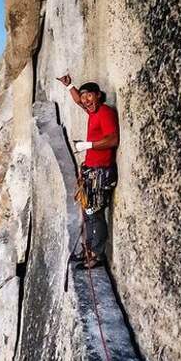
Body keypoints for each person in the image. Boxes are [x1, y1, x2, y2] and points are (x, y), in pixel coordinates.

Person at [57, 74, 119, 269]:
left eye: (89, 97)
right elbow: (78, 101)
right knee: (89, 211)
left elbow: (113, 139)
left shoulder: (105, 113)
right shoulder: (93, 112)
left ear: (98, 95)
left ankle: (96, 255)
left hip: (100, 172)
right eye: (84, 99)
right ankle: (90, 250)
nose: (85, 102)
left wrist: (86, 145)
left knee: (95, 213)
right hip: (92, 172)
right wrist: (69, 87)